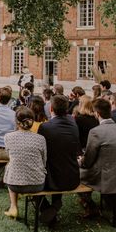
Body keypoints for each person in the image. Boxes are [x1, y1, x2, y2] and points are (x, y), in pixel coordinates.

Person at [79, 98, 116, 217]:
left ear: (97, 114)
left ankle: (90, 205)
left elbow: (88, 161)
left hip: (105, 176)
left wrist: (80, 161)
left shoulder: (96, 131)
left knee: (76, 173)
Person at [37, 94, 81, 225]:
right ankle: (56, 203)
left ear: (51, 109)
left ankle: (48, 209)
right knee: (58, 163)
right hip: (72, 176)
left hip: (51, 179)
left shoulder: (45, 127)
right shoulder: (73, 124)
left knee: (32, 180)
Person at [3, 108, 47, 219]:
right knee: (13, 165)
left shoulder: (8, 137)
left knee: (10, 165)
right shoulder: (41, 139)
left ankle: (13, 206)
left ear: (17, 121)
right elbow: (44, 161)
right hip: (37, 184)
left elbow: (10, 157)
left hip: (14, 185)